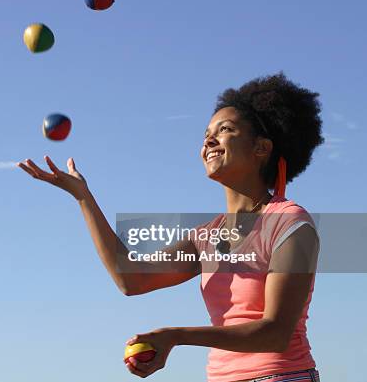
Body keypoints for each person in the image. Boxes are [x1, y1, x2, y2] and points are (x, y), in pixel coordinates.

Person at [18, 73, 324, 382]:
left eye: (226, 130)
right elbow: (131, 278)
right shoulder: (207, 236)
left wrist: (175, 336)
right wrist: (83, 197)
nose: (209, 140)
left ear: (261, 148)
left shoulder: (290, 222)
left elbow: (276, 333)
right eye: (206, 133)